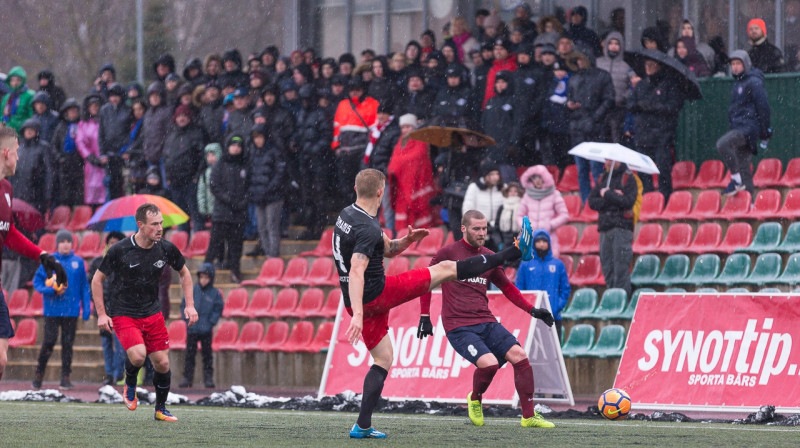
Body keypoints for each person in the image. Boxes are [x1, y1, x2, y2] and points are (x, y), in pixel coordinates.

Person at [336, 169, 536, 439]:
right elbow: (358, 268)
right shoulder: (368, 226)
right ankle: (513, 251)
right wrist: (358, 316)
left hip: (354, 300)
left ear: (356, 188)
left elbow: (385, 248)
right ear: (381, 192)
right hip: (375, 295)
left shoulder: (348, 214)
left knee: (383, 359)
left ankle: (362, 426)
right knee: (444, 269)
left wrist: (406, 241)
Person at [417, 210, 555, 428]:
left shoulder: (490, 256)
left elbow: (507, 288)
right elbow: (425, 280)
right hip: (458, 326)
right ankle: (475, 398)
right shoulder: (447, 252)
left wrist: (533, 311)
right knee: (489, 364)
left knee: (520, 356)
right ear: (463, 229)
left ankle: (528, 416)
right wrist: (425, 315)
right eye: (476, 229)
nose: (482, 233)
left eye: (484, 229)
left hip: (486, 321)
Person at [92, 202, 198, 422]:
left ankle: (160, 409)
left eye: (161, 223)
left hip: (152, 312)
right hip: (124, 313)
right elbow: (97, 280)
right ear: (140, 225)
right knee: (139, 355)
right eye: (154, 224)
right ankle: (130, 381)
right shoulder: (120, 250)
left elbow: (185, 274)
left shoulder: (166, 248)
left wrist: (190, 305)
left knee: (163, 363)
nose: (159, 228)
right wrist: (102, 314)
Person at [0, 125, 68, 384]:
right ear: (6, 153)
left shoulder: (6, 189)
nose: (19, 157)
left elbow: (9, 231)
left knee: (1, 359)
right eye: (17, 152)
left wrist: (43, 255)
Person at [31, 229, 91, 390]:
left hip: (71, 311)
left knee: (68, 344)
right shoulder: (49, 262)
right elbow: (37, 283)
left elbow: (84, 286)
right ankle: (39, 374)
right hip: (52, 310)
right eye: (62, 241)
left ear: (72, 243)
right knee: (49, 342)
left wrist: (86, 308)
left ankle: (65, 377)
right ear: (57, 244)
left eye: (68, 241)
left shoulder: (78, 262)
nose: (65, 244)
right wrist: (52, 290)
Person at [627, 56, 685, 200]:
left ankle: (665, 199)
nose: (648, 67)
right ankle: (648, 199)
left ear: (659, 66)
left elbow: (673, 107)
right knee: (643, 171)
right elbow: (630, 105)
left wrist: (654, 107)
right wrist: (640, 105)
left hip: (661, 135)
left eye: (652, 65)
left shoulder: (669, 85)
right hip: (642, 134)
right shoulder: (640, 85)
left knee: (663, 169)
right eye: (646, 65)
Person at [717, 51, 771, 198]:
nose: (735, 67)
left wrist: (765, 131)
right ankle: (750, 203)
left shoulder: (753, 82)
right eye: (733, 64)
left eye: (738, 64)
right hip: (739, 127)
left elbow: (763, 106)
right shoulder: (738, 83)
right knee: (744, 166)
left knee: (722, 144)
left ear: (746, 64)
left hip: (748, 128)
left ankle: (735, 179)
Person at [567, 51, 615, 203]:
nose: (580, 63)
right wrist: (569, 105)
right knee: (582, 171)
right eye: (577, 60)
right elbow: (569, 99)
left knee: (596, 170)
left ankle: (599, 201)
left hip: (596, 129)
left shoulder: (602, 76)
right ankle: (586, 202)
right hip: (577, 128)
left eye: (582, 59)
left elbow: (609, 100)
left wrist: (594, 118)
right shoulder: (574, 78)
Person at [587, 160, 638, 296]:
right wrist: (613, 197)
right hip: (604, 228)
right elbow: (592, 202)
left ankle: (622, 301)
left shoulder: (629, 178)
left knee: (621, 269)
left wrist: (607, 194)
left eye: (610, 160)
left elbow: (628, 202)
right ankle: (612, 299)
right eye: (606, 160)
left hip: (621, 228)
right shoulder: (602, 178)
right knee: (608, 269)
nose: (607, 162)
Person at [206, 135, 249, 284]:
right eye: (233, 145)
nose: (236, 148)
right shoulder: (220, 164)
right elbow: (214, 186)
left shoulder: (245, 165)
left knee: (236, 246)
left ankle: (235, 272)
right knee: (214, 245)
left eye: (239, 145)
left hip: (239, 214)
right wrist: (229, 200)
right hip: (221, 213)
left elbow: (250, 186)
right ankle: (205, 274)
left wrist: (243, 201)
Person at [516, 229, 570, 340]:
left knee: (554, 353)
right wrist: (528, 309)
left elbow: (565, 289)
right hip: (531, 317)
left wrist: (556, 307)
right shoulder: (525, 264)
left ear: (549, 243)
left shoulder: (558, 265)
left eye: (544, 241)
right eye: (538, 241)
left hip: (553, 316)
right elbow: (519, 288)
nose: (541, 244)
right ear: (533, 243)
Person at [88, 231, 127, 386]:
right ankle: (109, 373)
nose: (113, 245)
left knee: (119, 344)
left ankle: (118, 373)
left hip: (120, 310)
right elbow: (92, 286)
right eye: (111, 242)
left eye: (116, 242)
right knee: (106, 344)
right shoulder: (98, 262)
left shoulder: (126, 263)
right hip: (103, 310)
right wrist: (99, 308)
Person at [386, 114, 435, 229]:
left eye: (408, 127)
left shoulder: (421, 140)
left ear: (414, 126)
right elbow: (395, 159)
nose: (405, 130)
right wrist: (397, 166)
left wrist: (398, 165)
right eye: (403, 127)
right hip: (401, 185)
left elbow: (416, 157)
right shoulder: (400, 142)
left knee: (418, 214)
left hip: (417, 183)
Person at [179, 263, 223, 389]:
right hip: (192, 328)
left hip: (206, 330)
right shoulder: (192, 291)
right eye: (201, 277)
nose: (203, 280)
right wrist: (187, 319)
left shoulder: (215, 294)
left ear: (211, 278)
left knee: (207, 356)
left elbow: (218, 309)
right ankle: (187, 378)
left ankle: (208, 379)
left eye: (206, 277)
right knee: (189, 355)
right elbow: (184, 305)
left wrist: (210, 323)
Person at [247, 124, 286, 258]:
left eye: (259, 137)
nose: (257, 140)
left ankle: (273, 255)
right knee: (261, 227)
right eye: (255, 137)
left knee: (272, 226)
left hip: (273, 196)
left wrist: (269, 189)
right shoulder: (253, 153)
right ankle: (268, 254)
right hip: (258, 196)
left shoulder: (275, 152)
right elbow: (251, 175)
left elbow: (280, 174)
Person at [517, 165, 569, 257]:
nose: (537, 181)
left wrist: (550, 225)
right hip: (531, 237)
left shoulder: (554, 194)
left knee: (549, 262)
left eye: (540, 178)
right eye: (534, 178)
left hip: (548, 236)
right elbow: (519, 216)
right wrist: (527, 226)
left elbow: (564, 215)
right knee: (531, 265)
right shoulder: (527, 195)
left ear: (545, 178)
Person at [596, 31, 631, 144]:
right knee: (600, 140)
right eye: (610, 43)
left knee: (617, 140)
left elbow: (632, 87)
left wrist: (623, 97)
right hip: (600, 108)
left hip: (618, 109)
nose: (613, 46)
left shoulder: (626, 66)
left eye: (617, 43)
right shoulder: (598, 63)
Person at [12, 119, 53, 214]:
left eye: (32, 129)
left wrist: (48, 193)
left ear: (37, 131)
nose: (29, 131)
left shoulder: (44, 147)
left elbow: (49, 171)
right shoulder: (18, 147)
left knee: (35, 219)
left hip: (37, 194)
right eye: (27, 129)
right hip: (18, 192)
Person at [77, 94, 106, 205]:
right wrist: (89, 157)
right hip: (91, 165)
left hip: (105, 163)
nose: (94, 108)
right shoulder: (83, 124)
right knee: (92, 193)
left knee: (106, 191)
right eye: (92, 106)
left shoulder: (105, 122)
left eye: (97, 105)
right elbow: (80, 142)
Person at [1, 66, 35, 132]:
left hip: (21, 134)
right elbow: (1, 114)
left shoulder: (30, 95)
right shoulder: (7, 97)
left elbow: (32, 118)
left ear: (23, 81)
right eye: (12, 80)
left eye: (18, 80)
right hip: (5, 134)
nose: (15, 83)